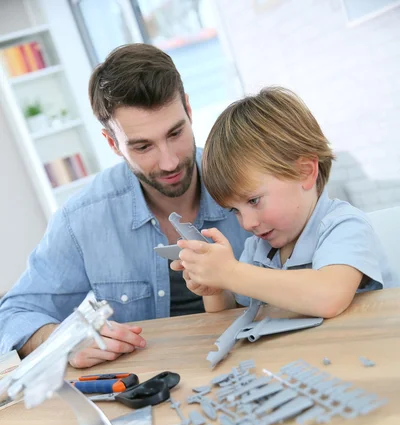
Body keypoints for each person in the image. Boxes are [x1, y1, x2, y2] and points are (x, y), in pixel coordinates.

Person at [0, 44, 250, 367]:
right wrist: (67, 342)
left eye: (175, 133)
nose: (170, 161)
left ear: (188, 109)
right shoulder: (83, 219)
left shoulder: (247, 182)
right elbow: (13, 315)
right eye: (143, 146)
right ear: (112, 144)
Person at [172, 87, 395, 317]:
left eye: (254, 200)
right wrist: (216, 289)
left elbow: (329, 296)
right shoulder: (258, 249)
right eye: (235, 211)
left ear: (305, 173)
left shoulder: (345, 226)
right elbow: (233, 318)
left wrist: (230, 272)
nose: (247, 224)